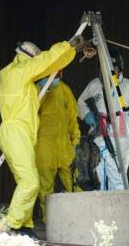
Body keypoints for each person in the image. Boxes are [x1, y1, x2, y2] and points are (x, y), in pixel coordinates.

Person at [0, 36, 82, 238]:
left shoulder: (16, 77)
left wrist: (43, 85)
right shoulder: (20, 71)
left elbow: (30, 95)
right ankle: (11, 225)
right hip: (16, 132)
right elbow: (47, 61)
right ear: (28, 59)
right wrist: (69, 47)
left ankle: (24, 225)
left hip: (21, 133)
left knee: (25, 181)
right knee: (31, 182)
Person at [78, 50, 129, 190]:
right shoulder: (94, 85)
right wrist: (87, 115)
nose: (108, 72)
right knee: (97, 180)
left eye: (112, 68)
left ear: (119, 68)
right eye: (104, 68)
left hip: (121, 142)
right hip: (97, 137)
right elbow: (80, 102)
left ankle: (116, 210)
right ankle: (100, 210)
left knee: (118, 181)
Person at [35, 70, 80, 223]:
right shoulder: (38, 92)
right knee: (45, 187)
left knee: (73, 183)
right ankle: (49, 221)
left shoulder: (65, 90)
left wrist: (75, 141)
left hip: (65, 147)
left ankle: (79, 217)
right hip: (44, 147)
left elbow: (73, 119)